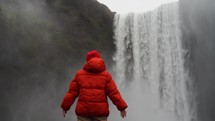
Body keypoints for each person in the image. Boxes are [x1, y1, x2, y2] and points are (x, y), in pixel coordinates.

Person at [61, 50, 128, 121]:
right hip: (100, 113)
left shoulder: (79, 75)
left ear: (87, 61)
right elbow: (113, 93)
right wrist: (122, 108)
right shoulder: (106, 75)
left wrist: (65, 107)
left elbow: (72, 93)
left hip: (83, 113)